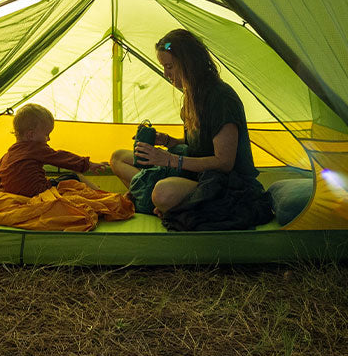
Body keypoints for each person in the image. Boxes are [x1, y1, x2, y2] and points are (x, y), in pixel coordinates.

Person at [110, 29, 274, 230]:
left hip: (225, 184)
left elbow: (224, 163)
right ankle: (163, 201)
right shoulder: (192, 95)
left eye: (169, 66)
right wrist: (169, 141)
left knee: (162, 192)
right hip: (195, 173)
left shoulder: (221, 99)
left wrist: (169, 160)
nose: (165, 74)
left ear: (189, 63)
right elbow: (196, 145)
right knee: (118, 157)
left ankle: (160, 200)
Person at [0, 103, 110, 198]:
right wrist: (88, 164)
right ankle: (101, 195)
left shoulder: (6, 157)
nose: (49, 139)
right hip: (38, 193)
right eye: (46, 134)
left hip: (12, 195)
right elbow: (61, 157)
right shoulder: (35, 148)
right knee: (75, 176)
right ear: (31, 135)